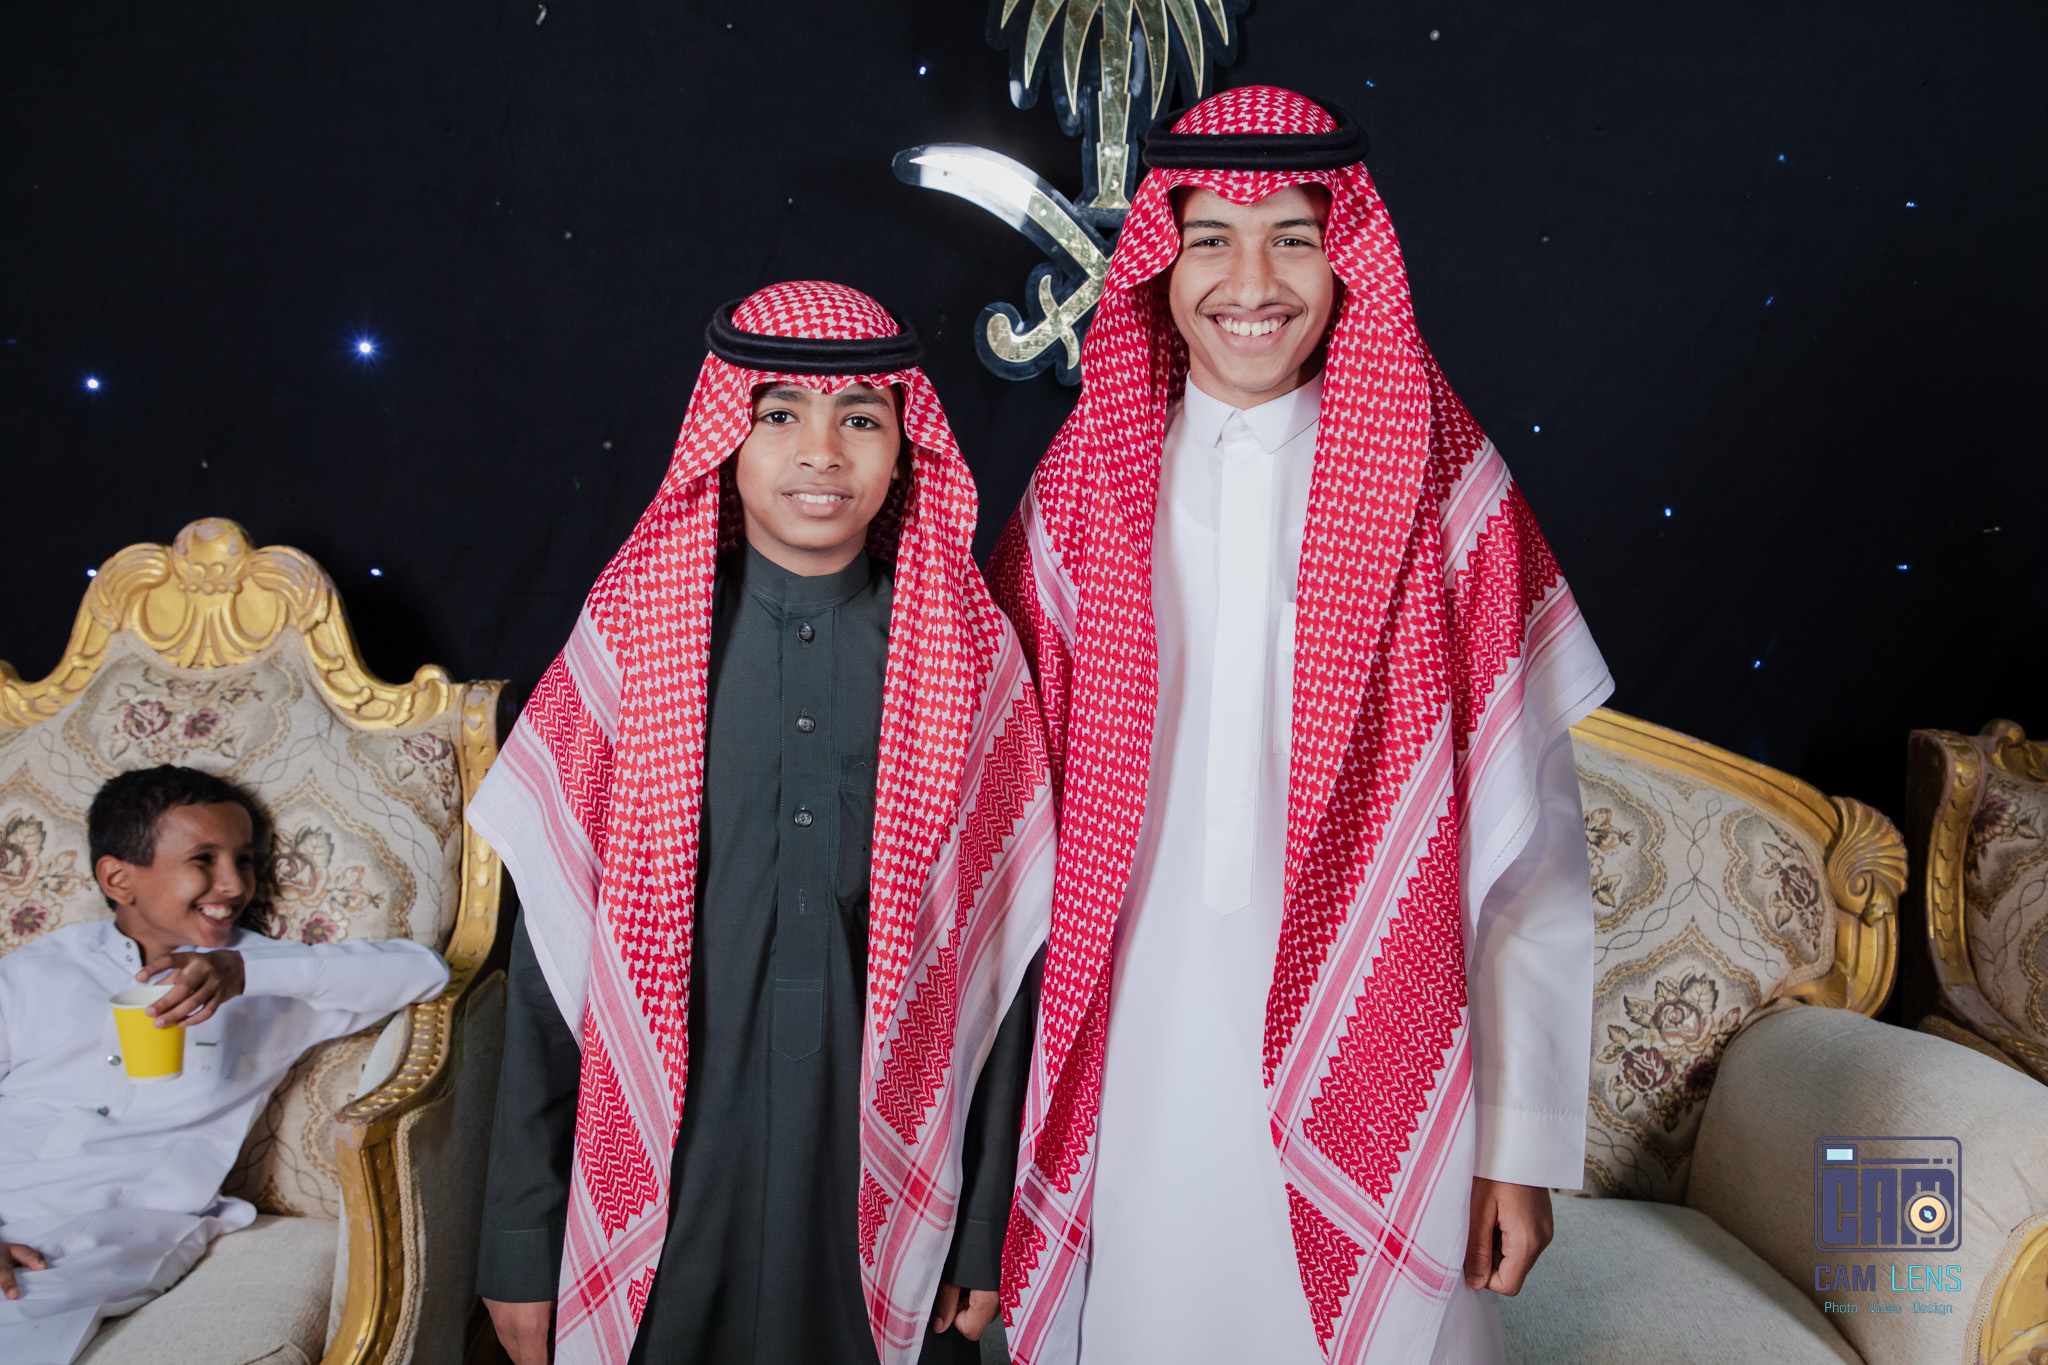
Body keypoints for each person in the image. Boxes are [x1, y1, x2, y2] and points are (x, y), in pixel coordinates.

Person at [988, 87, 1614, 1365]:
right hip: (1142, 1041)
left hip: (1389, 1038)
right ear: (1158, 264)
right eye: (1209, 239)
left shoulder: (1443, 489)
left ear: (1348, 260)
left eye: (1292, 237)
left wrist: (1517, 1145)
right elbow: (994, 822)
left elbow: (1529, 857)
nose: (1249, 282)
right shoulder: (1086, 481)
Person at [467, 281, 1054, 1365]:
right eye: (779, 414)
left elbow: (1005, 969)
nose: (820, 452)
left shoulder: (971, 660)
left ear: (904, 450)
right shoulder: (632, 644)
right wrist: (518, 1237)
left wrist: (982, 1230)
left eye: (860, 418)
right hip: (674, 1176)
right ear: (724, 440)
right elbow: (548, 959)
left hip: (891, 1183)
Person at [0, 765, 450, 1364]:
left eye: (244, 861)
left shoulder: (271, 985)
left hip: (116, 1233)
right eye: (204, 860)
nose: (235, 884)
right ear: (118, 878)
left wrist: (249, 973)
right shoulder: (33, 972)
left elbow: (424, 972)